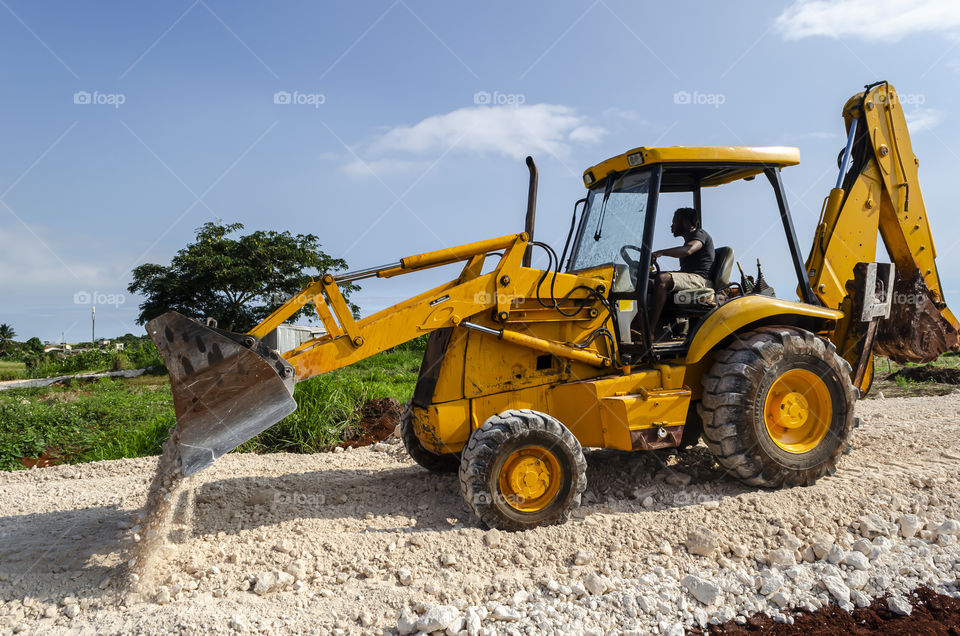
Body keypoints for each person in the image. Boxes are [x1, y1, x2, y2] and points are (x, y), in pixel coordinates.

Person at [648, 207, 715, 335]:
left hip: (700, 280)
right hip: (690, 278)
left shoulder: (700, 234)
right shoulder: (689, 239)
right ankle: (651, 328)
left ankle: (649, 332)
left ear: (684, 222)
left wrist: (661, 252)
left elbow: (688, 250)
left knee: (662, 279)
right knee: (649, 282)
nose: (671, 226)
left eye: (674, 222)